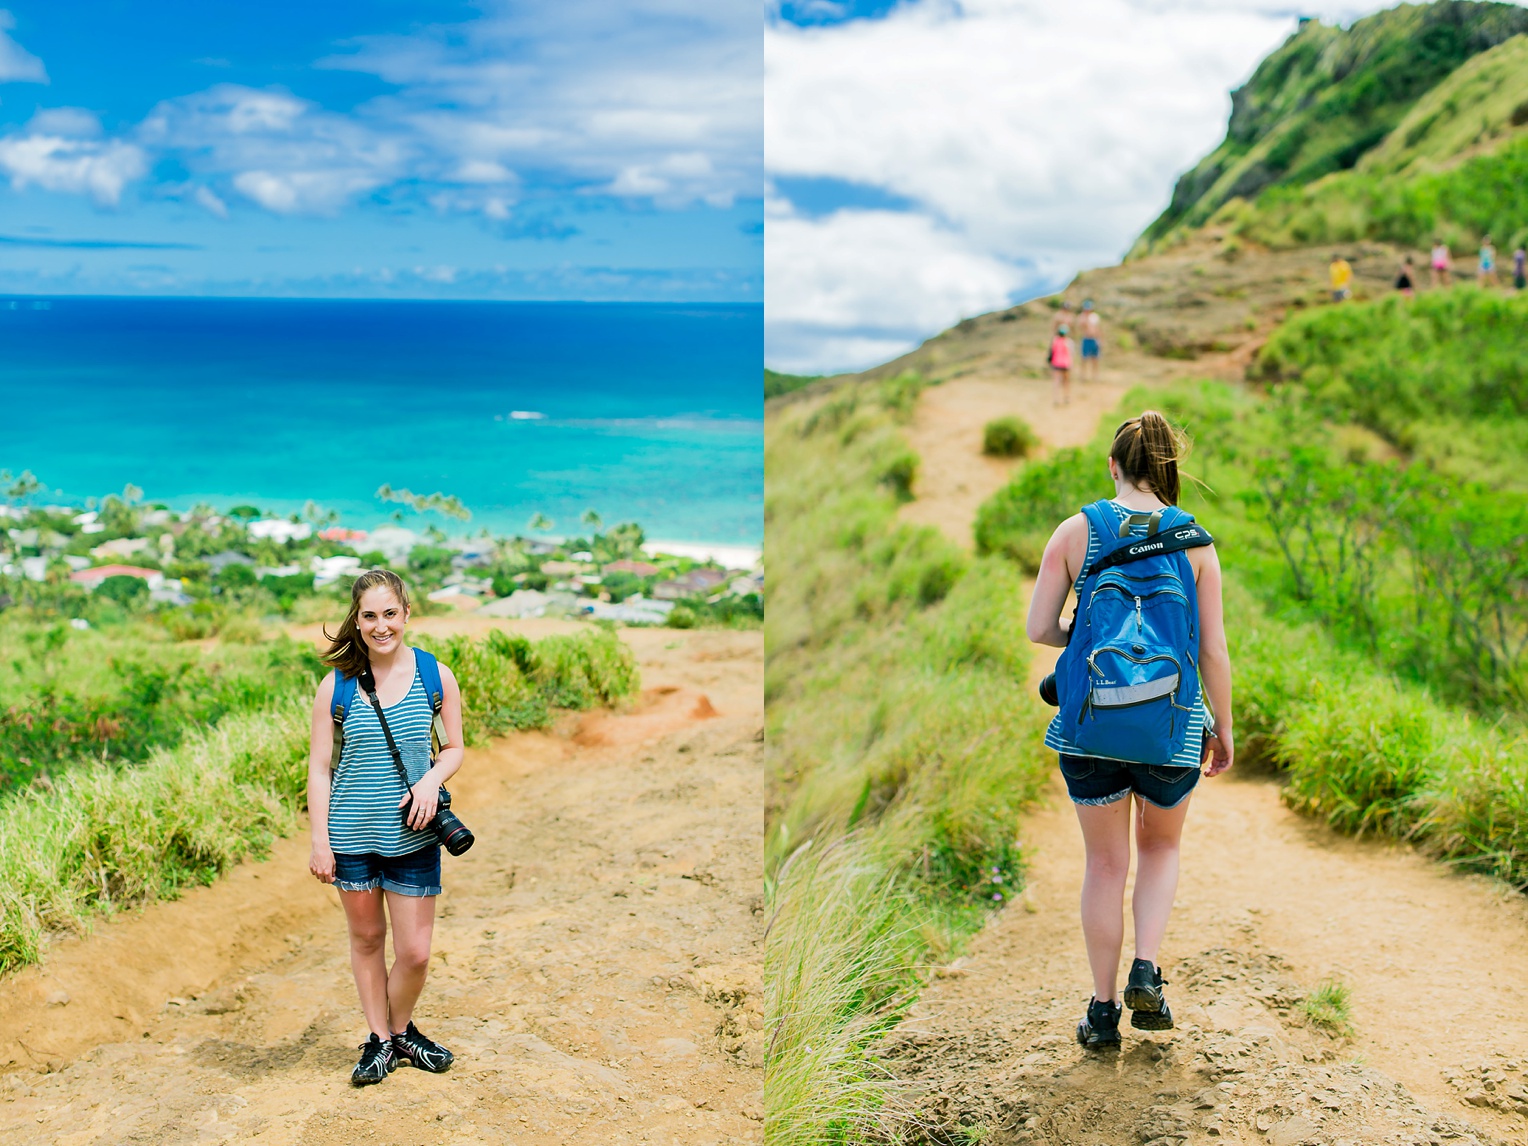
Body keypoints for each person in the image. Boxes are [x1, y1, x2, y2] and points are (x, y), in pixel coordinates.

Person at [1026, 412, 1233, 1050]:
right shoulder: (1197, 543)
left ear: (1113, 466)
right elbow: (1212, 649)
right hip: (1171, 728)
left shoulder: (1075, 530)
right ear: (1170, 472)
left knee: (1106, 864)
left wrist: (1084, 636)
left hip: (1090, 730)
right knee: (1161, 850)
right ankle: (1148, 968)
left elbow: (1039, 629)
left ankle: (1103, 1010)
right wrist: (1221, 728)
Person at [308, 569, 466, 1086]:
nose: (380, 626)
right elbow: (319, 767)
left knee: (416, 953)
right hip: (351, 837)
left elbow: (454, 748)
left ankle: (400, 1030)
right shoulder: (336, 687)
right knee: (368, 939)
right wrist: (319, 841)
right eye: (369, 616)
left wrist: (430, 782)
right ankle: (381, 1039)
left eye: (389, 614)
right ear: (357, 619)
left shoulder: (434, 675)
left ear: (406, 614)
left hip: (415, 833)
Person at [1049, 324, 1074, 407]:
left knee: (1056, 381)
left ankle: (1056, 398)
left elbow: (1052, 352)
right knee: (1066, 382)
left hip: (1056, 364)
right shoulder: (1068, 341)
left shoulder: (1055, 340)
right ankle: (1067, 397)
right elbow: (1070, 353)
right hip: (1066, 364)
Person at [1078, 300, 1102, 382]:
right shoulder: (1082, 317)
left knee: (1095, 358)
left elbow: (1097, 329)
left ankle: (1095, 376)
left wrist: (1099, 339)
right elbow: (1082, 326)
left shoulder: (1095, 317)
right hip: (1086, 339)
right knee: (1084, 358)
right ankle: (1083, 376)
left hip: (1094, 339)